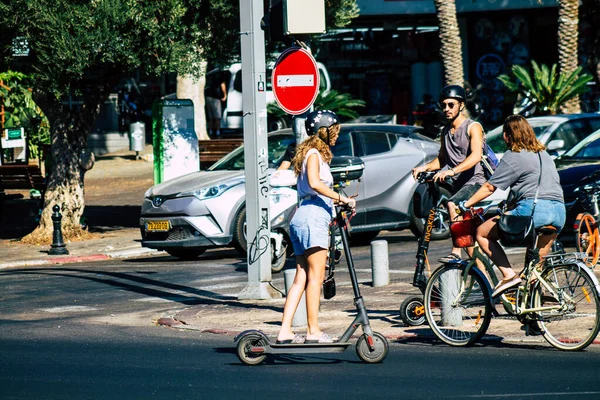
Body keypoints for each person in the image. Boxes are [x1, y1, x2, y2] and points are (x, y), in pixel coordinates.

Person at [458, 115, 565, 297]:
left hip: (534, 211)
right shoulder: (544, 154)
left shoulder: (514, 155)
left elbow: (489, 187)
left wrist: (465, 203)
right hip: (559, 213)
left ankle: (508, 275)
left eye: (504, 135)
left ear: (508, 135)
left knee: (482, 233)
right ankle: (533, 309)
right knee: (534, 268)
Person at [276, 110, 356, 344]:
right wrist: (342, 198)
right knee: (315, 278)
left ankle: (285, 331)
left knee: (301, 276)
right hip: (312, 217)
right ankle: (313, 330)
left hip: (302, 216)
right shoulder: (313, 154)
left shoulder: (308, 153)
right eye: (334, 131)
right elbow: (314, 183)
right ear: (324, 130)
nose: (336, 136)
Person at [411, 84, 485, 263]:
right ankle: (485, 280)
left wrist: (452, 171)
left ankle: (455, 252)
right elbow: (441, 159)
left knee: (452, 205)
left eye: (451, 105)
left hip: (476, 181)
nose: (446, 109)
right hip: (460, 186)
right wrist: (424, 167)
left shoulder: (472, 127)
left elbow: (476, 155)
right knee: (468, 240)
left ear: (461, 105)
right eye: (443, 105)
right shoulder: (445, 131)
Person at [204, 69, 227, 137]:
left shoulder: (210, 77)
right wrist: (225, 96)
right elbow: (223, 86)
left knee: (211, 116)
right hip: (216, 98)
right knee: (217, 116)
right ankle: (217, 131)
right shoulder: (221, 78)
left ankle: (211, 131)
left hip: (208, 98)